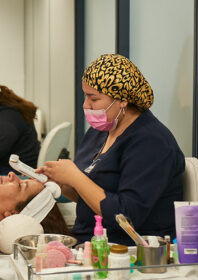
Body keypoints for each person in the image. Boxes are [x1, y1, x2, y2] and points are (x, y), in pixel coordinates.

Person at [37, 54, 185, 246]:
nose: (85, 105)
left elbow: (126, 216)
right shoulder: (100, 132)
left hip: (126, 251)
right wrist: (63, 183)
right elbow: (91, 197)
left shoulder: (151, 142)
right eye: (85, 96)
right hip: (90, 241)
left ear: (123, 99)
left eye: (94, 98)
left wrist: (75, 177)